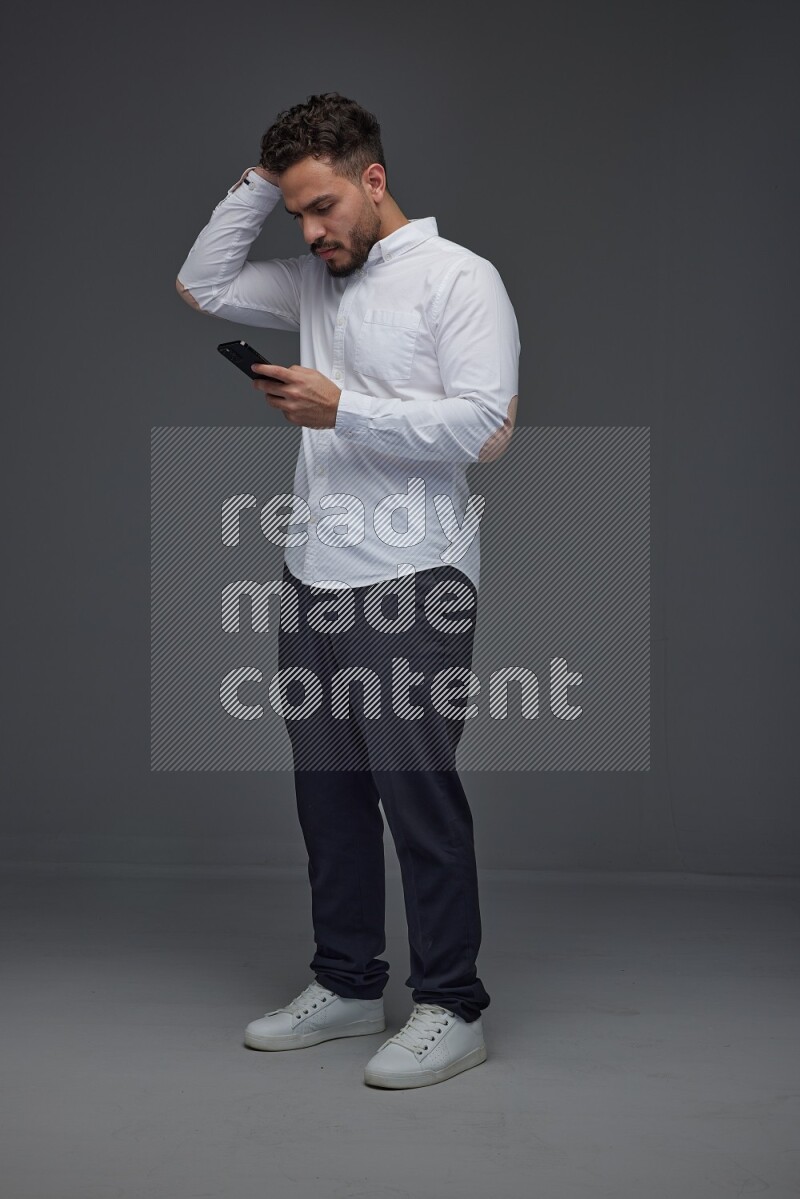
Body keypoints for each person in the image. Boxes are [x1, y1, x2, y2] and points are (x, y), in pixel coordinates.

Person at [175, 92, 520, 1089]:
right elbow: (201, 285)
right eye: (296, 214)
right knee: (327, 795)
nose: (313, 230)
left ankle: (451, 1002)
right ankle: (348, 982)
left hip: (415, 573)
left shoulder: (459, 279)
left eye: (323, 204)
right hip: (313, 569)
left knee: (417, 796)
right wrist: (258, 176)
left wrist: (344, 407)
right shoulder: (316, 278)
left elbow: (487, 428)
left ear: (373, 179)